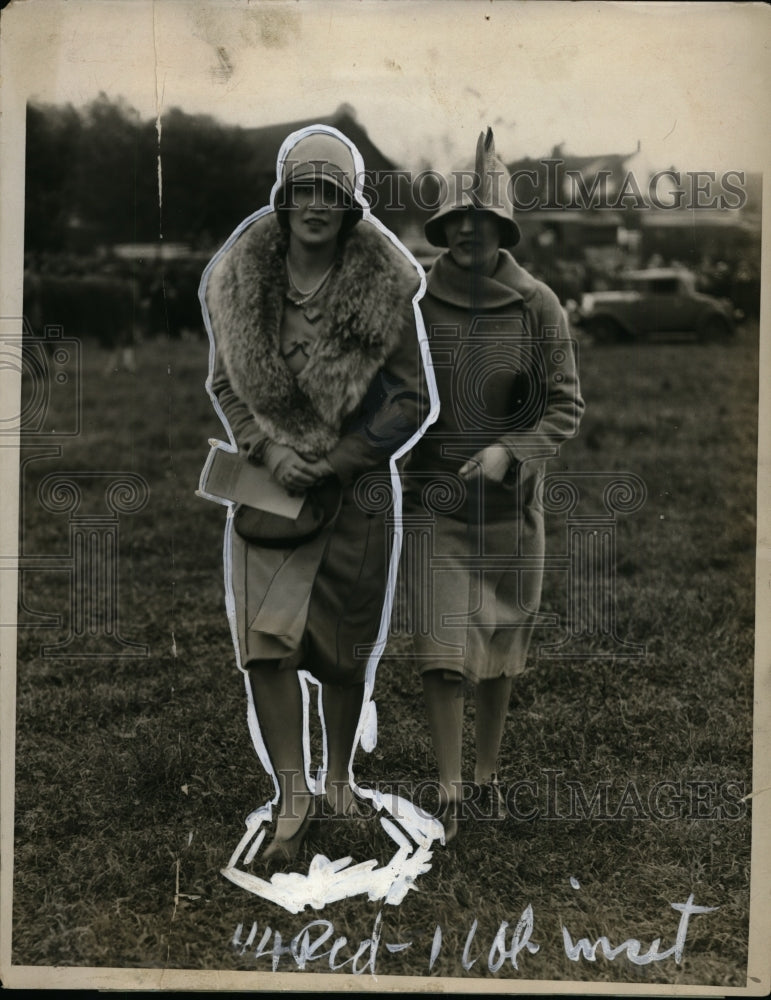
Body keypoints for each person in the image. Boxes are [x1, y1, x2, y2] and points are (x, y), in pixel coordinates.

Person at [200, 127, 428, 869]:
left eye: (331, 192)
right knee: (265, 650)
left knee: (343, 650)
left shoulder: (382, 287)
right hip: (267, 492)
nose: (315, 205)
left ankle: (338, 781)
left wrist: (335, 459)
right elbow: (225, 382)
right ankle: (292, 793)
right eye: (304, 189)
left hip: (355, 493)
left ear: (351, 205)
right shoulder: (241, 279)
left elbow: (411, 401)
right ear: (284, 195)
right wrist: (267, 449)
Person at [403, 128, 584, 841]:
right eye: (456, 221)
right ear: (443, 228)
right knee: (443, 651)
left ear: (502, 227)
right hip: (435, 506)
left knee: (500, 652)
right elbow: (396, 394)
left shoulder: (538, 304)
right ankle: (448, 787)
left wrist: (512, 449)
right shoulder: (417, 305)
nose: (469, 231)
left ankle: (486, 774)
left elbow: (564, 402)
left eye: (484, 220)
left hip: (509, 511)